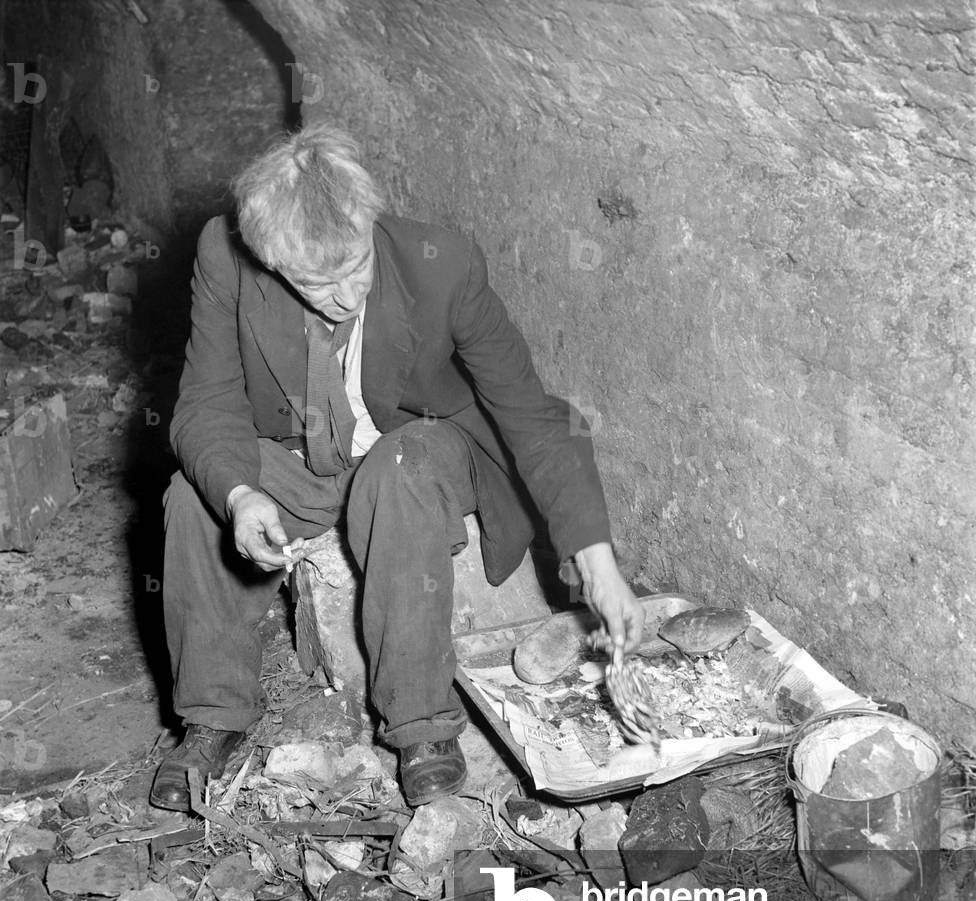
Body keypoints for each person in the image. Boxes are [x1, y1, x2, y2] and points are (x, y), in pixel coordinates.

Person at [151, 123, 643, 812]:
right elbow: (206, 402)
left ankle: (419, 724)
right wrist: (239, 497)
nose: (346, 299)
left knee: (398, 467)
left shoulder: (441, 262)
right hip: (300, 454)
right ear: (268, 261)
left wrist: (596, 559)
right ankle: (212, 717)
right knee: (188, 495)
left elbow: (534, 414)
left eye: (356, 270)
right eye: (315, 286)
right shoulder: (223, 254)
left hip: (423, 447)